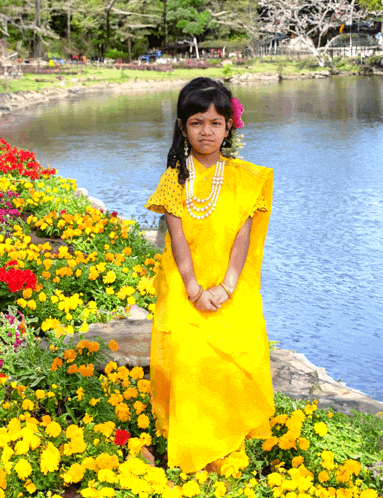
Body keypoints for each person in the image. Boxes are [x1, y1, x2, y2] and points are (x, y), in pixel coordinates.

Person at [144, 77, 275, 474]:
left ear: (228, 127)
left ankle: (225, 448)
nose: (206, 131)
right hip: (186, 287)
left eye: (215, 123)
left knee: (230, 362)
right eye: (197, 122)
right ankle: (191, 450)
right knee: (189, 361)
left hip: (230, 287)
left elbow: (243, 238)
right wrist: (195, 289)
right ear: (183, 127)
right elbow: (178, 237)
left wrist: (226, 288)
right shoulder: (174, 178)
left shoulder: (245, 178)